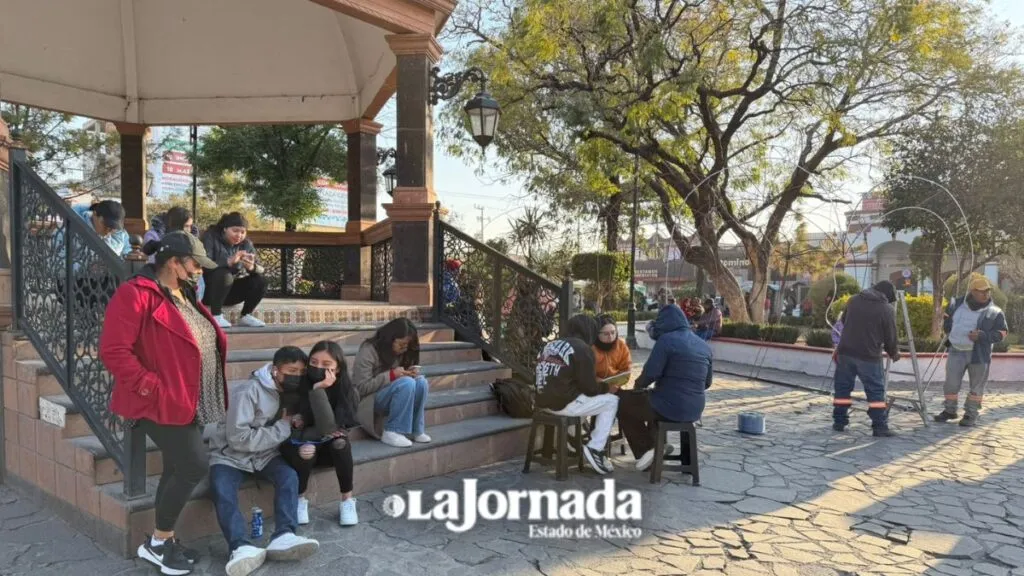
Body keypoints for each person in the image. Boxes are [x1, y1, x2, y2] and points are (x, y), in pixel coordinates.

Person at [99, 231, 226, 575]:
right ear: (174, 262)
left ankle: (163, 541)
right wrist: (149, 386)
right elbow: (113, 350)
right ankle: (157, 543)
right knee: (194, 466)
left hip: (190, 398)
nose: (200, 270)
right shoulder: (136, 294)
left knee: (175, 467)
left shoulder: (182, 294)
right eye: (195, 264)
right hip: (159, 400)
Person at [208, 346, 320, 576]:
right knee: (221, 489)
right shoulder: (249, 391)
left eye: (300, 371)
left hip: (265, 455)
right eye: (291, 370)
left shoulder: (294, 392)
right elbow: (238, 439)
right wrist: (283, 426)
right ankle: (240, 546)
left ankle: (284, 535)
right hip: (230, 455)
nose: (296, 376)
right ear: (275, 370)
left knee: (289, 477)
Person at [617, 304, 711, 471]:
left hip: (669, 406)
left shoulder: (666, 340)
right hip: (695, 409)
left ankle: (647, 451)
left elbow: (650, 374)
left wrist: (637, 388)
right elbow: (707, 383)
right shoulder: (703, 345)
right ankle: (658, 447)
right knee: (652, 401)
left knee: (623, 403)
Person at [279, 341, 360, 527]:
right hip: (298, 446)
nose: (317, 368)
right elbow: (300, 430)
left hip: (327, 449)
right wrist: (316, 391)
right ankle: (299, 500)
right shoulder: (298, 385)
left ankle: (347, 501)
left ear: (337, 369)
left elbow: (332, 430)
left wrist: (319, 390)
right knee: (307, 449)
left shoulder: (347, 391)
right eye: (314, 362)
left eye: (326, 365)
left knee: (340, 443)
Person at [535, 314, 619, 475]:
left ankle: (575, 445)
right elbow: (590, 389)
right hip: (563, 405)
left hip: (542, 402)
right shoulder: (582, 348)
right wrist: (606, 387)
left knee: (582, 402)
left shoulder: (551, 345)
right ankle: (595, 448)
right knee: (612, 401)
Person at [934, 276, 1008, 427]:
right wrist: (949, 330)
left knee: (976, 386)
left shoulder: (995, 312)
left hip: (979, 355)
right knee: (951, 384)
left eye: (987, 291)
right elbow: (947, 319)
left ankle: (971, 414)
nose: (985, 294)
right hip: (956, 351)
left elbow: (1002, 333)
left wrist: (983, 336)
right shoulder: (956, 304)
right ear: (972, 291)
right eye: (981, 291)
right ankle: (949, 410)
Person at [831, 280, 900, 437]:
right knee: (875, 392)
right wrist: (893, 352)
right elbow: (890, 335)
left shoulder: (853, 300)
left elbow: (843, 321)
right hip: (868, 356)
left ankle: (839, 422)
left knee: (842, 389)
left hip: (845, 353)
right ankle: (879, 426)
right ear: (887, 295)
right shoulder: (886, 309)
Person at [352, 318, 430, 448]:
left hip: (392, 392)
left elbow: (400, 377)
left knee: (421, 382)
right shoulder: (368, 350)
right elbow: (361, 388)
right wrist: (392, 375)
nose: (404, 349)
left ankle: (416, 430)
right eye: (401, 345)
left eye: (407, 346)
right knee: (406, 383)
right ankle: (392, 431)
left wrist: (408, 371)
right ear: (390, 339)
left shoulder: (401, 352)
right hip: (369, 400)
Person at [201, 212, 267, 328]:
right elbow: (204, 264)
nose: (239, 235)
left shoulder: (246, 244)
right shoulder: (210, 237)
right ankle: (216, 316)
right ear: (225, 229)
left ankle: (246, 315)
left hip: (230, 293)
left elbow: (261, 269)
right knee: (224, 273)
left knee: (261, 280)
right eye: (235, 231)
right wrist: (229, 261)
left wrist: (251, 267)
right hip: (208, 292)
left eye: (243, 232)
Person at [143, 207, 205, 298]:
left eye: (191, 226)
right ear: (176, 225)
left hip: (185, 269)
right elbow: (154, 260)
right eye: (186, 226)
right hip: (161, 271)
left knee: (198, 279)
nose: (189, 229)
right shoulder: (154, 235)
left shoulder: (190, 237)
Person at [593, 314, 632, 382]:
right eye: (606, 334)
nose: (610, 337)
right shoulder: (589, 348)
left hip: (614, 387)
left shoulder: (621, 346)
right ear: (596, 334)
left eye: (613, 332)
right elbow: (583, 373)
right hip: (593, 388)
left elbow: (626, 369)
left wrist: (617, 382)